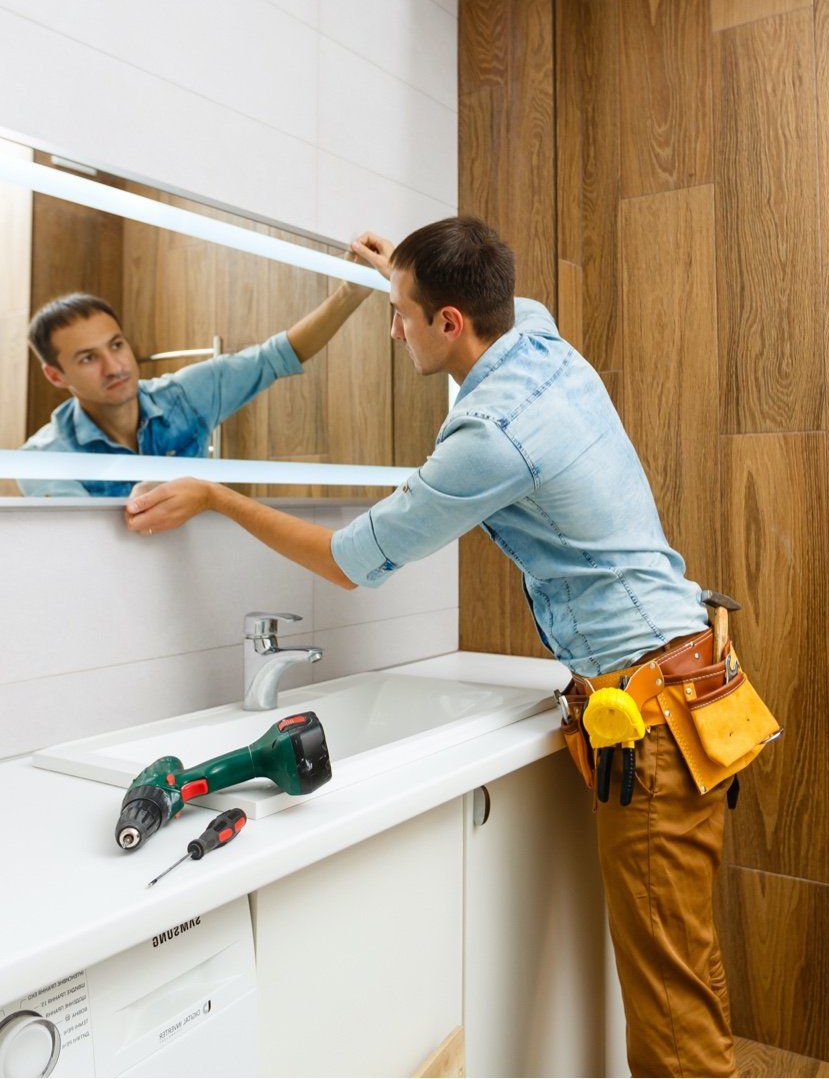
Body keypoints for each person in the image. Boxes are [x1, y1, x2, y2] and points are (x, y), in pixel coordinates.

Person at [123, 216, 737, 1078]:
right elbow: (490, 322)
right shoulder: (538, 338)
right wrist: (397, 272)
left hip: (652, 715)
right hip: (690, 674)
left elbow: (347, 563)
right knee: (685, 973)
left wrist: (217, 496)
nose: (392, 326)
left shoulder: (485, 436)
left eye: (402, 312)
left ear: (450, 322)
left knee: (673, 1018)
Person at [19, 271, 371, 498]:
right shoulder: (44, 459)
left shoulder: (184, 398)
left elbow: (276, 357)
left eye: (116, 345)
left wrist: (350, 292)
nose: (115, 367)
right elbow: (85, 550)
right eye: (88, 358)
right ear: (56, 375)